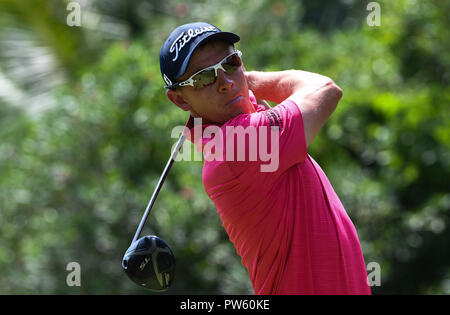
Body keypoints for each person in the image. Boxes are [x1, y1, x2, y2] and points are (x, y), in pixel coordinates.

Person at [159, 22, 371, 295]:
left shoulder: (245, 128)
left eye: (230, 62)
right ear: (180, 100)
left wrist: (241, 83)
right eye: (203, 78)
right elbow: (325, 90)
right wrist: (252, 80)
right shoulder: (236, 146)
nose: (224, 82)